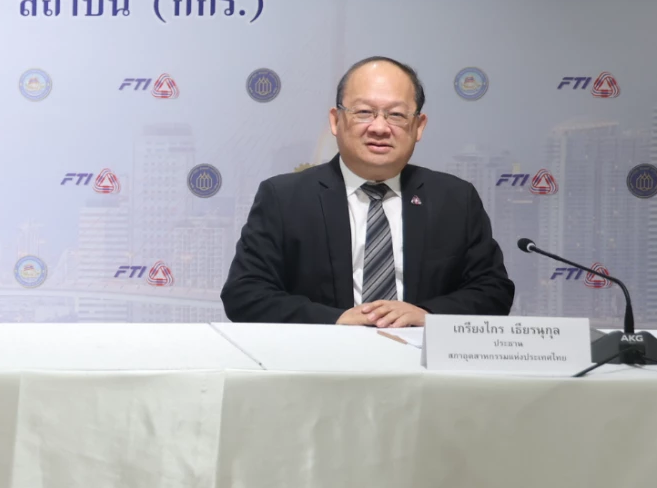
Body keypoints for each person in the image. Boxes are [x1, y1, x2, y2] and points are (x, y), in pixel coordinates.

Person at [220, 56, 514, 327]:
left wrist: (428, 315)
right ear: (336, 120)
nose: (379, 128)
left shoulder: (454, 199)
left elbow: (493, 291)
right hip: (320, 361)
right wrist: (334, 321)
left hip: (422, 360)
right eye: (364, 112)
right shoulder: (284, 198)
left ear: (418, 126)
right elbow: (245, 294)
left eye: (396, 115)